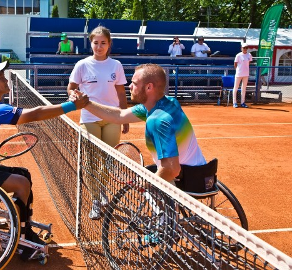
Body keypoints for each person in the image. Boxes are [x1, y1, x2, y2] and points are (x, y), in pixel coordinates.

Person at [0, 61, 88, 259]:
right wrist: (72, 106)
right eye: (0, 77)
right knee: (21, 183)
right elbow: (36, 114)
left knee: (24, 174)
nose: (6, 79)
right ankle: (22, 239)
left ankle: (24, 224)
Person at [73, 63, 206, 183]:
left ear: (149, 87)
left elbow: (172, 169)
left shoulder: (157, 120)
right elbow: (119, 115)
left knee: (144, 190)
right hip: (201, 173)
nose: (129, 86)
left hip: (185, 181)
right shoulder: (167, 103)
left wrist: (146, 185)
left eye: (134, 83)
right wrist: (86, 104)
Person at [67, 25, 129, 220]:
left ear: (109, 44)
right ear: (91, 44)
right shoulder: (82, 65)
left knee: (108, 161)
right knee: (91, 163)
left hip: (112, 118)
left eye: (103, 43)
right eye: (96, 43)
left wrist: (125, 116)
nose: (99, 46)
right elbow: (71, 88)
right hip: (89, 118)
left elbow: (121, 92)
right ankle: (96, 199)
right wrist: (73, 95)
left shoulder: (116, 65)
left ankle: (101, 191)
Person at [232, 43, 252, 108]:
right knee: (236, 88)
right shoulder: (238, 55)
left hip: (246, 74)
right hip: (239, 74)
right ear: (241, 48)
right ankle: (234, 102)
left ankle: (242, 102)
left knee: (244, 88)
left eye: (246, 48)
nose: (245, 49)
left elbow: (249, 62)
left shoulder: (249, 55)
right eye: (244, 48)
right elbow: (235, 64)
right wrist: (238, 70)